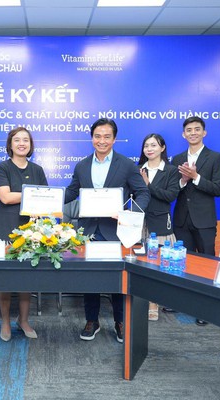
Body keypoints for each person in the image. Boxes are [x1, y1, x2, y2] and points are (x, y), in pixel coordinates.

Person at [65, 118, 150, 343]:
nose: (101, 141)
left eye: (107, 136)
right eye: (97, 136)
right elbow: (72, 191)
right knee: (90, 277)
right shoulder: (82, 165)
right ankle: (91, 320)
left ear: (114, 139)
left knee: (117, 278)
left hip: (115, 230)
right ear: (91, 138)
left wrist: (128, 213)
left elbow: (143, 193)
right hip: (89, 230)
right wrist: (47, 201)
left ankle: (120, 321)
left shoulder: (126, 165)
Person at [0, 127, 47, 341]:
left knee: (26, 277)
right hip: (6, 225)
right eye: (17, 140)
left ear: (30, 145)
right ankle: (5, 321)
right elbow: (5, 197)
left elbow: (45, 198)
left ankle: (23, 320)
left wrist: (37, 199)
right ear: (10, 144)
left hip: (31, 229)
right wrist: (32, 194)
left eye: (25, 140)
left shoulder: (38, 169)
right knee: (4, 277)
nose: (21, 143)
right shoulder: (2, 167)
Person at [170, 116, 220, 326]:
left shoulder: (215, 157)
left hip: (204, 220)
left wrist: (196, 177)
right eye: (189, 130)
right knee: (183, 263)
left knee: (206, 264)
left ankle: (205, 309)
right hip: (182, 219)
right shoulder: (177, 158)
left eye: (197, 129)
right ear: (183, 134)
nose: (193, 133)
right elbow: (173, 190)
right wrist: (183, 181)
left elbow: (218, 189)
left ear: (204, 132)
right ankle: (183, 302)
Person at [137, 133, 179, 321]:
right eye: (146, 145)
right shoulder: (138, 169)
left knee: (157, 265)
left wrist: (149, 185)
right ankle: (139, 300)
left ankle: (153, 303)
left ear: (162, 148)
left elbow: (170, 195)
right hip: (139, 224)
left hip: (160, 223)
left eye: (153, 145)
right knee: (139, 264)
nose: (149, 149)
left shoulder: (170, 170)